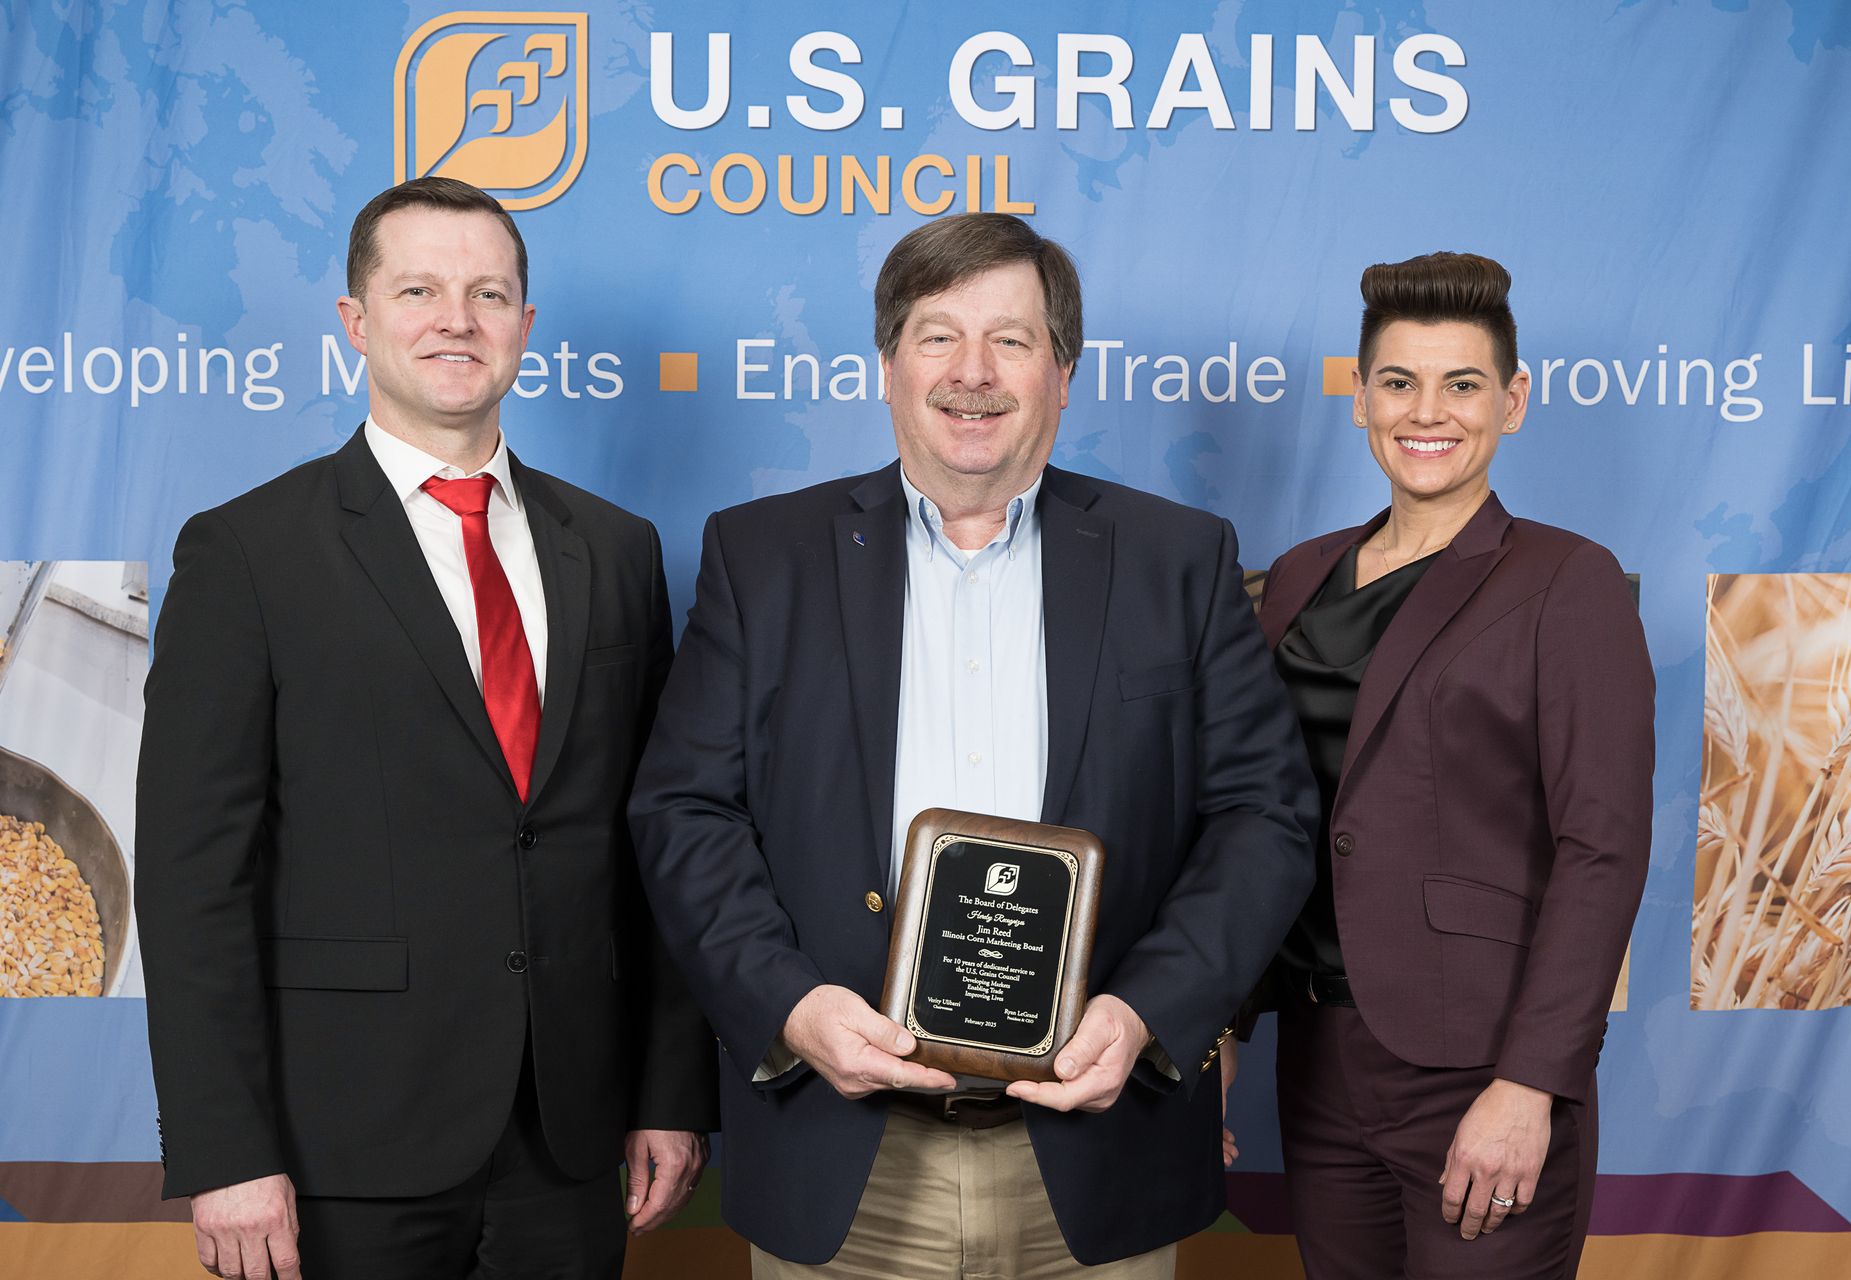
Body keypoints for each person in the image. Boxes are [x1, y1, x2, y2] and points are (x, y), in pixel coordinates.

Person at [628, 212, 1318, 1277]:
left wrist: (1144, 1016)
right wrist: (791, 1007)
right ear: (889, 365)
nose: (974, 373)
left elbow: (1263, 816)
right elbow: (684, 812)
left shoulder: (1179, 560)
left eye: (1012, 339)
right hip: (840, 1155)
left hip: (1098, 1154)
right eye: (939, 335)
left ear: (1064, 371)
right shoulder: (762, 559)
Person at [136, 177, 716, 1280]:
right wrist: (226, 1150)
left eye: (488, 293)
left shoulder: (619, 548)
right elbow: (189, 875)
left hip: (575, 1137)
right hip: (337, 1147)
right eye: (419, 289)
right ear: (356, 322)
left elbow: (660, 846)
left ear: (525, 328)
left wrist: (668, 1091)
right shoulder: (246, 554)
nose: (458, 318)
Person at [1232, 251, 1653, 1278]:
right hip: (1319, 1057)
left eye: (1462, 384)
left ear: (1511, 401)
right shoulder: (1297, 575)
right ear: (1361, 397)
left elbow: (1602, 848)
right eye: (1399, 382)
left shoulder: (1568, 578)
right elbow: (1256, 812)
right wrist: (1222, 1026)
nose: (1429, 411)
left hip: (1481, 1063)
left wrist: (1531, 1083)